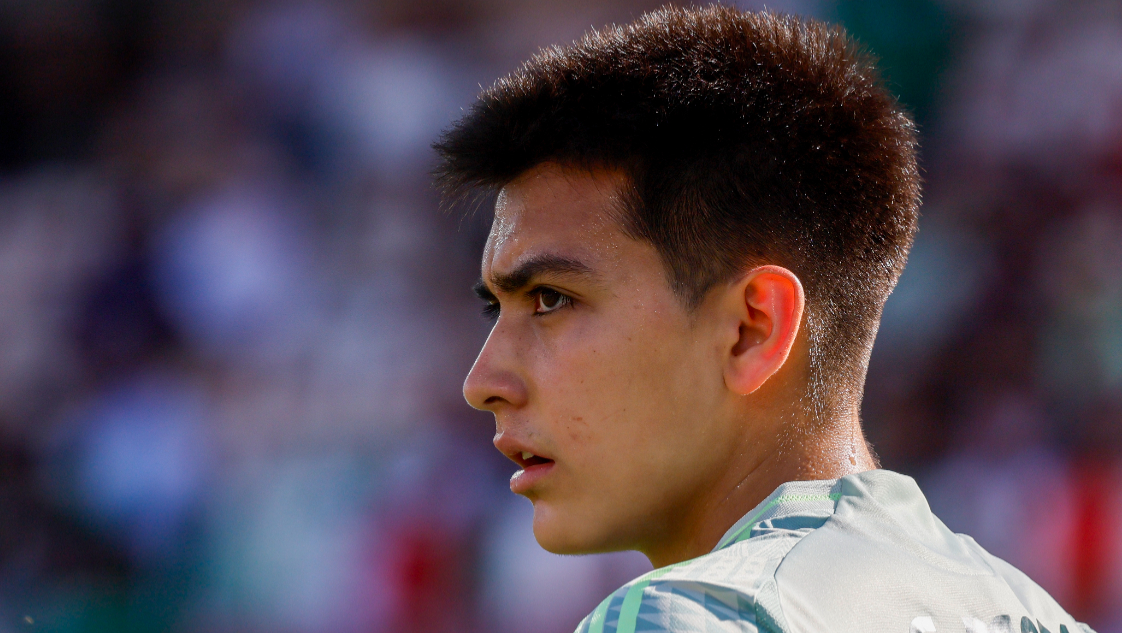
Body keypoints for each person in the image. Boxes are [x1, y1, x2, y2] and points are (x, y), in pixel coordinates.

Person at [433, 6, 1092, 633]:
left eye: (551, 299)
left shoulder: (689, 613)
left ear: (752, 328)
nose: (483, 380)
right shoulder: (1046, 614)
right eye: (497, 308)